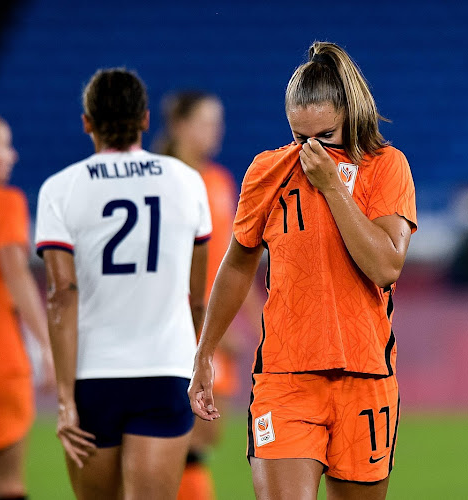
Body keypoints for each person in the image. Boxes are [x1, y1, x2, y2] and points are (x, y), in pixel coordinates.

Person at [189, 41, 418, 500]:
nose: (312, 152)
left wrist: (333, 188)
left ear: (350, 115)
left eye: (326, 137)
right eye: (300, 138)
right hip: (286, 378)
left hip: (366, 378)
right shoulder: (267, 172)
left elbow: (386, 266)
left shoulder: (386, 168)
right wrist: (205, 351)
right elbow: (236, 264)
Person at [35, 68, 211, 499]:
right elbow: (197, 296)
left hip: (94, 375)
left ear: (87, 122)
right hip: (166, 368)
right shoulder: (187, 181)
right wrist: (202, 360)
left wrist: (63, 400)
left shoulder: (59, 189)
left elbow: (62, 297)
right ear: (146, 119)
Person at [155, 91, 263, 500]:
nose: (215, 130)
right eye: (205, 121)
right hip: (180, 326)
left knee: (204, 437)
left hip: (212, 324)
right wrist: (207, 331)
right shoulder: (165, 181)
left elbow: (234, 260)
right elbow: (168, 266)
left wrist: (260, 322)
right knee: (187, 440)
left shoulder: (218, 181)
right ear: (180, 125)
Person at [0, 110, 54, 500]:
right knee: (9, 485)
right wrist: (47, 345)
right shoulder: (4, 203)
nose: (12, 155)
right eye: (3, 145)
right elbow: (16, 275)